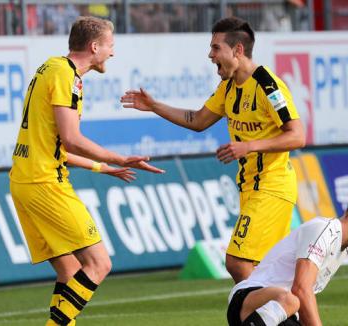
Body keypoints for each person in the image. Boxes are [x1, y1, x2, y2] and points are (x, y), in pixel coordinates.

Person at [121, 16, 305, 283]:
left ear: (238, 50)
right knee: (263, 270)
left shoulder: (268, 85)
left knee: (238, 263)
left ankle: (260, 317)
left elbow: (298, 135)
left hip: (272, 186)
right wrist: (154, 106)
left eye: (216, 47)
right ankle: (278, 317)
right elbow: (198, 120)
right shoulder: (228, 86)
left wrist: (249, 146)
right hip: (250, 189)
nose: (210, 54)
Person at [9, 16, 164, 325]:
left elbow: (56, 146)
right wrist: (120, 159)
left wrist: (102, 168)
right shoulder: (67, 77)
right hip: (45, 184)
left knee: (70, 272)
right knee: (99, 263)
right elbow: (72, 140)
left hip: (24, 180)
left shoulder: (49, 68)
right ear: (94, 47)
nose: (113, 53)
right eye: (110, 46)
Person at [226, 183, 348, 326]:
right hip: (250, 300)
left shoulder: (341, 250)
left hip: (278, 312)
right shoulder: (323, 229)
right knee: (292, 300)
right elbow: (301, 290)